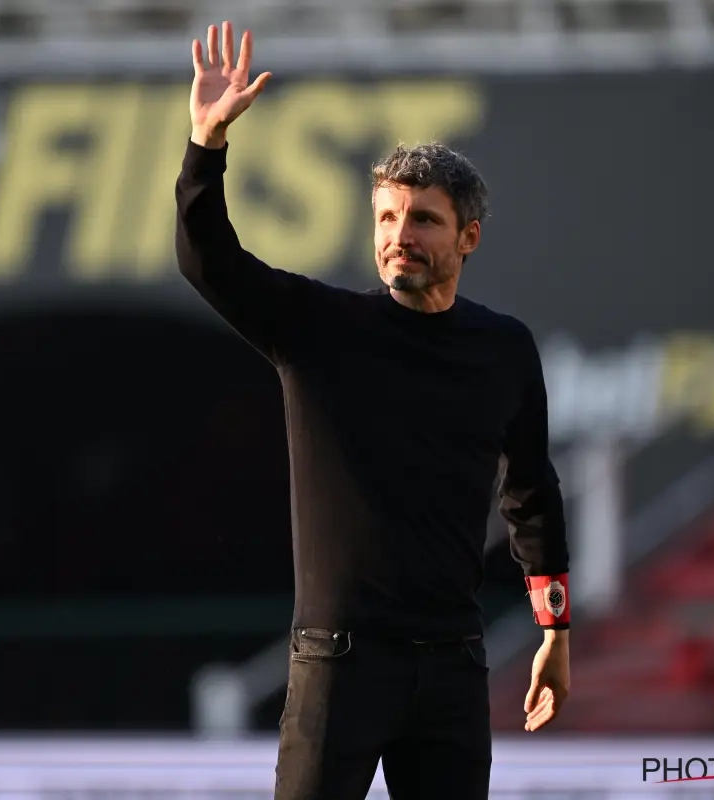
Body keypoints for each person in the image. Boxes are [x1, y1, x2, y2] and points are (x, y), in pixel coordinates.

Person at [175, 21, 571, 799]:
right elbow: (207, 260)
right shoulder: (320, 330)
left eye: (423, 219)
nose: (400, 237)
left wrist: (555, 628)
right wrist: (204, 147)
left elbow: (531, 491)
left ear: (469, 237)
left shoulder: (503, 348)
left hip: (452, 667)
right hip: (337, 665)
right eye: (388, 218)